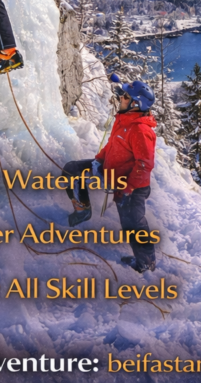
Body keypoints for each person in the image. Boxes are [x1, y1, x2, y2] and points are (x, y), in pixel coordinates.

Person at [63, 77, 158, 273]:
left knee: (133, 224)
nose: (120, 98)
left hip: (132, 187)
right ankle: (83, 210)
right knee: (72, 169)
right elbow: (113, 146)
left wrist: (128, 188)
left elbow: (144, 164)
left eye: (124, 96)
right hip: (111, 173)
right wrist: (98, 161)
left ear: (135, 104)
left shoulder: (140, 129)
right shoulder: (123, 119)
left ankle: (145, 262)